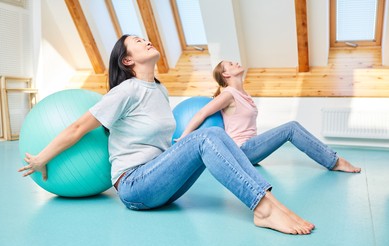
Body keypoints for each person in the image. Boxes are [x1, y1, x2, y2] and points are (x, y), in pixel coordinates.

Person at [18, 35, 314, 235]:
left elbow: (160, 143)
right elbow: (78, 127)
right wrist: (42, 158)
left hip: (159, 182)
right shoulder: (125, 91)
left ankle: (270, 203)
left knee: (213, 135)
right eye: (137, 42)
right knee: (206, 135)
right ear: (127, 61)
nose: (146, 40)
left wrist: (178, 149)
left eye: (144, 38)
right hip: (134, 185)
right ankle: (264, 209)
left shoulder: (160, 90)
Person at [177, 60, 361, 173]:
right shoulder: (228, 94)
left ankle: (333, 161)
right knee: (291, 128)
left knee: (290, 128)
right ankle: (334, 161)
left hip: (250, 151)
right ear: (225, 74)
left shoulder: (244, 94)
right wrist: (185, 137)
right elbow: (202, 113)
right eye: (231, 64)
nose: (236, 63)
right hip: (242, 151)